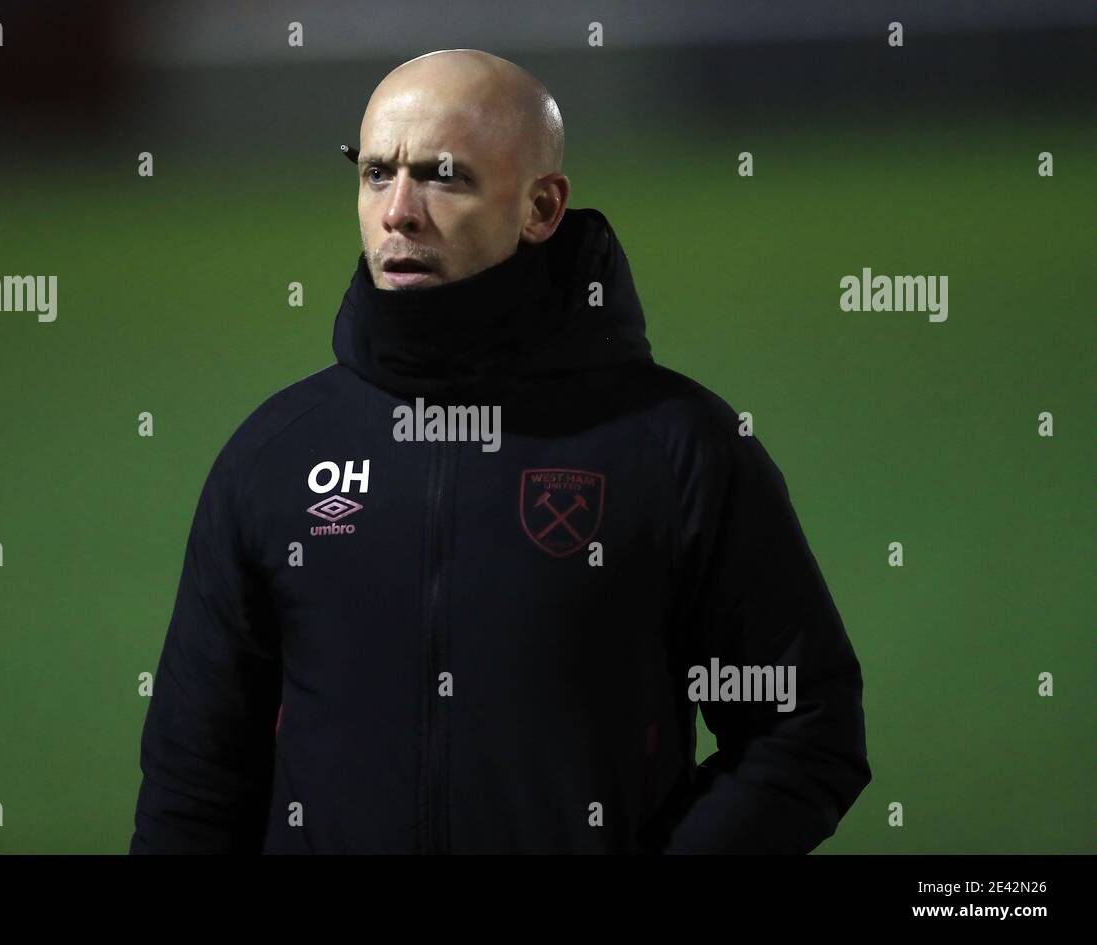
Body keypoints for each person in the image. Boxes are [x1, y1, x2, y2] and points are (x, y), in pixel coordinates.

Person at [128, 49, 870, 854]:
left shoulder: (675, 446)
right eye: (376, 174)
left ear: (541, 207)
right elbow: (193, 785)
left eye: (442, 177)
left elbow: (805, 725)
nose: (398, 212)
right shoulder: (276, 454)